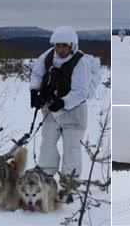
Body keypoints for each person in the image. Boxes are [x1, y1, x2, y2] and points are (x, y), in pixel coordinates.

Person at [29, 26, 91, 196]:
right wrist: (34, 92)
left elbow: (80, 92)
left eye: (64, 46)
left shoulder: (81, 61)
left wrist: (63, 102)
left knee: (71, 149)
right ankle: (45, 176)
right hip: (50, 110)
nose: (61, 49)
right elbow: (37, 73)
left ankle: (69, 184)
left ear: (72, 45)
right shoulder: (48, 56)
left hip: (74, 113)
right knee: (47, 143)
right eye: (58, 45)